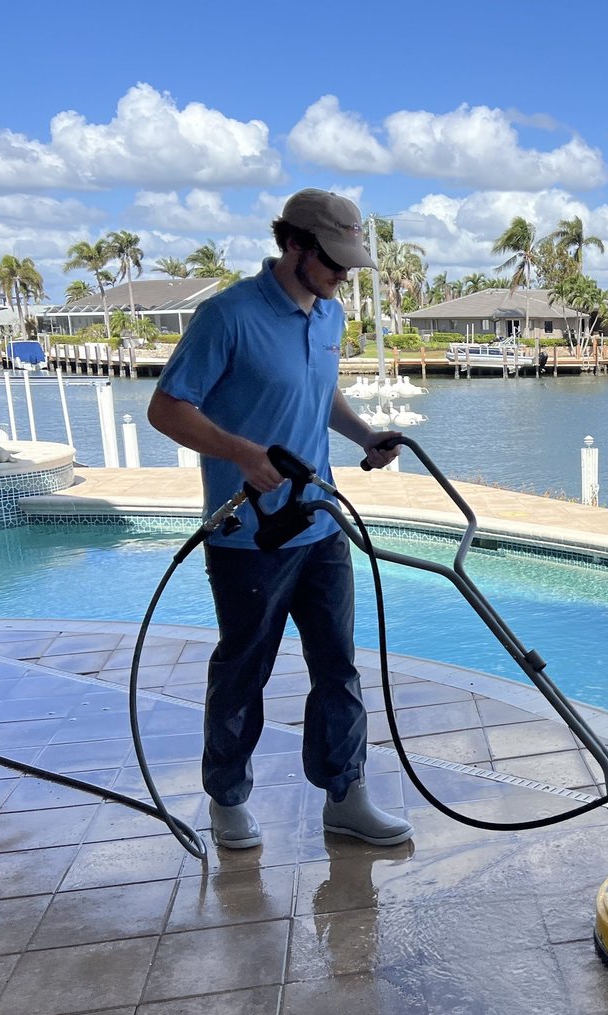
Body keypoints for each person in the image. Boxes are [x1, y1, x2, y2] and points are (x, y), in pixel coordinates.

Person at [147, 188, 412, 850]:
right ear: (293, 245)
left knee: (338, 666)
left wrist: (361, 435)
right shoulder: (227, 317)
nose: (342, 278)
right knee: (245, 667)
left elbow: (321, 394)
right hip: (248, 537)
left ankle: (345, 794)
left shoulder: (329, 315)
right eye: (334, 262)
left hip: (321, 523)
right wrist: (239, 453)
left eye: (350, 266)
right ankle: (227, 797)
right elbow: (167, 408)